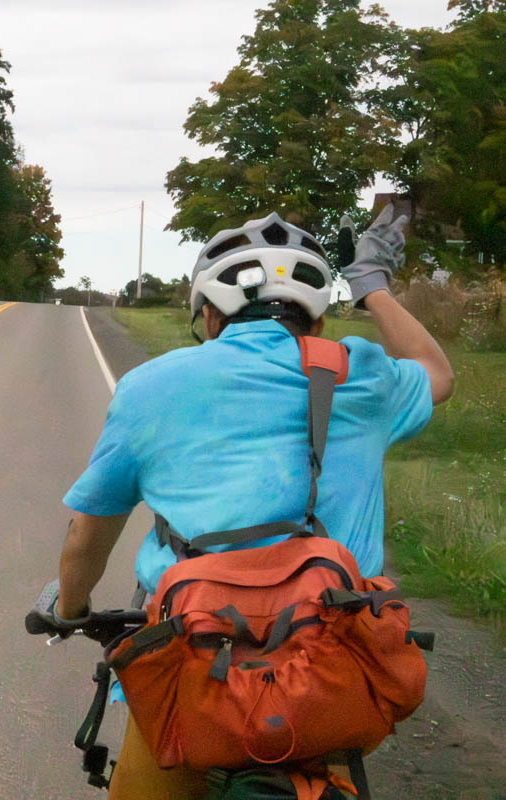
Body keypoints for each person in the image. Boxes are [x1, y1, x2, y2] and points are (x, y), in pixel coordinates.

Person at [39, 208, 453, 798]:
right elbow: (438, 372)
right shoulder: (362, 375)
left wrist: (72, 608)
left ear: (208, 314)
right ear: (315, 318)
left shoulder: (150, 387)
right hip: (324, 685)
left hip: (189, 678)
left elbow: (88, 536)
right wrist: (371, 283)